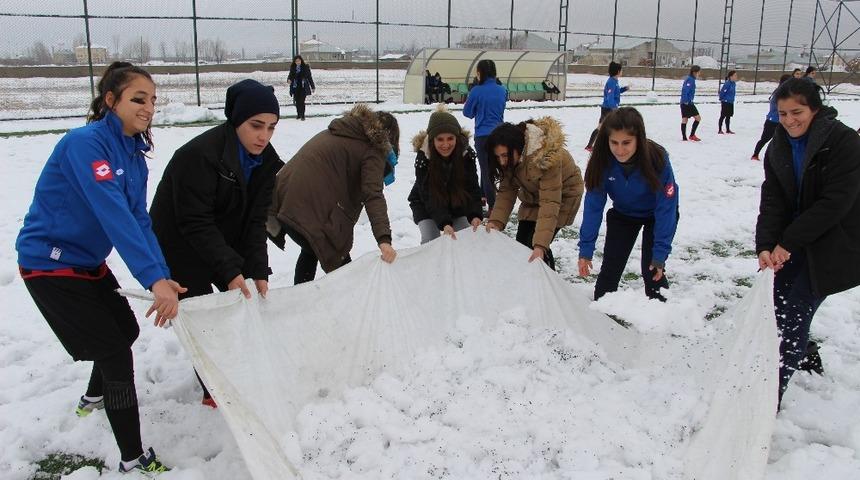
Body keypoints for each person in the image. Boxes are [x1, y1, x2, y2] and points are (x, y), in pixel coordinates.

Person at [15, 62, 183, 474]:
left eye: (153, 100)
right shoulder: (85, 144)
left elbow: (138, 219)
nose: (148, 108)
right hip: (48, 264)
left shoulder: (135, 155)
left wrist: (161, 274)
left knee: (124, 331)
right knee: (114, 351)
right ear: (111, 101)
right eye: (138, 98)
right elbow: (114, 216)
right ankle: (132, 457)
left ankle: (93, 398)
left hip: (87, 262)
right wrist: (152, 279)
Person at [149, 79, 284, 408]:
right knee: (205, 317)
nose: (263, 136)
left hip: (220, 235)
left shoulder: (266, 161)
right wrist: (229, 271)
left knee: (234, 307)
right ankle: (215, 390)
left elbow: (255, 221)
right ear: (236, 120)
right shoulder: (199, 156)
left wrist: (257, 270)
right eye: (255, 126)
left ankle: (231, 374)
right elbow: (194, 222)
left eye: (271, 127)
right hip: (178, 241)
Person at [755, 77, 860, 407]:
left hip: (834, 243)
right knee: (778, 310)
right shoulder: (778, 145)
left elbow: (835, 203)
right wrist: (765, 244)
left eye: (796, 112)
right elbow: (773, 199)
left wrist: (786, 242)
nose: (789, 120)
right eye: (782, 113)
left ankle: (771, 395)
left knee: (794, 313)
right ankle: (806, 353)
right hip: (794, 240)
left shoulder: (843, 142)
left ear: (815, 109)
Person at [267, 104, 400, 284]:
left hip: (282, 199)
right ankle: (350, 301)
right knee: (338, 258)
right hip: (305, 205)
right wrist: (384, 239)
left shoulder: (344, 131)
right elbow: (373, 194)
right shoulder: (373, 147)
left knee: (311, 247)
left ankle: (299, 299)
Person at [577, 107, 679, 302]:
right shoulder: (601, 162)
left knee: (652, 271)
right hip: (624, 215)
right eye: (614, 142)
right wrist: (586, 249)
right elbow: (593, 207)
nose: (620, 150)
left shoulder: (657, 159)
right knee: (609, 271)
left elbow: (666, 208)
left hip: (655, 217)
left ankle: (664, 317)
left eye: (626, 143)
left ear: (638, 139)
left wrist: (660, 254)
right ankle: (602, 318)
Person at [484, 117, 584, 270]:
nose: (502, 161)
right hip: (534, 193)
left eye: (505, 156)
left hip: (563, 195)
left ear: (518, 148)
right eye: (498, 157)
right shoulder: (512, 157)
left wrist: (540, 246)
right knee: (522, 243)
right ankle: (528, 279)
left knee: (536, 244)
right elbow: (506, 191)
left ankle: (547, 280)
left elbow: (550, 203)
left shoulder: (545, 157)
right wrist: (496, 221)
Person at [408, 106, 483, 244]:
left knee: (464, 238)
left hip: (455, 202)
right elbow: (428, 196)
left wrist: (474, 214)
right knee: (431, 241)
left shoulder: (466, 155)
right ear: (432, 140)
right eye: (440, 139)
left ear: (457, 138)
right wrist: (444, 223)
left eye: (450, 138)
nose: (445, 144)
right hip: (426, 203)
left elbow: (472, 188)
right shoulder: (423, 158)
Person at [463, 59, 507, 213]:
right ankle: (483, 195)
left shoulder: (476, 91)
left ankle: (493, 206)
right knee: (491, 168)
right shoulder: (502, 90)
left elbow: (467, 112)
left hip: (483, 135)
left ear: (480, 72)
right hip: (500, 134)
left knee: (486, 169)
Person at [585, 61, 629, 151]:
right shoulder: (611, 82)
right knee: (605, 127)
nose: (622, 71)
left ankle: (591, 146)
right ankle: (591, 146)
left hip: (609, 108)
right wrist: (614, 108)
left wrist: (624, 89)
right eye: (621, 70)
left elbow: (616, 92)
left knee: (603, 127)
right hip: (608, 109)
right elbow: (610, 97)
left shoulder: (614, 81)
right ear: (617, 71)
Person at [752, 74, 791, 161]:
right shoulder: (780, 93)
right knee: (765, 139)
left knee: (782, 140)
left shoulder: (783, 92)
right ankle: (755, 154)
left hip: (780, 121)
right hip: (773, 121)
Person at [287, 54, 315, 120]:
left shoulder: (305, 67)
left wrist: (312, 86)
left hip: (303, 87)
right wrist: (288, 80)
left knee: (302, 101)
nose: (298, 62)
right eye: (296, 61)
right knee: (297, 101)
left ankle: (302, 115)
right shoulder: (293, 68)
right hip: (295, 87)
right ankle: (298, 114)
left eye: (299, 61)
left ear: (301, 61)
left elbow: (309, 78)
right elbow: (290, 76)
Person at [680, 65, 702, 142]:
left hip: (685, 102)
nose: (699, 73)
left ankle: (685, 137)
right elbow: (685, 90)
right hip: (687, 103)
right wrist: (686, 100)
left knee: (685, 119)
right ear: (694, 72)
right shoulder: (690, 80)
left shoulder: (691, 79)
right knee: (698, 118)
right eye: (699, 72)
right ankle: (692, 135)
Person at [718, 70, 737, 134]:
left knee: (728, 116)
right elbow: (722, 92)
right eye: (735, 75)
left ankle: (728, 129)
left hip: (731, 102)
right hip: (725, 102)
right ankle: (720, 129)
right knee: (723, 116)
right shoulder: (727, 83)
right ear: (731, 76)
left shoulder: (734, 84)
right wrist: (721, 99)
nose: (736, 77)